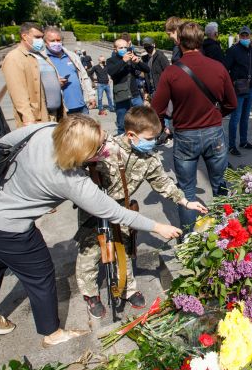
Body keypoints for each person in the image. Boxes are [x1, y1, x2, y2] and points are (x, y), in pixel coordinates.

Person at [0, 115, 181, 346]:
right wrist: (157, 226)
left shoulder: (46, 130)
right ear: (83, 154)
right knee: (41, 275)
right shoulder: (70, 180)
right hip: (10, 227)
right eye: (99, 146)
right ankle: (52, 333)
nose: (106, 145)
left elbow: (4, 144)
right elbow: (115, 212)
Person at [75, 108, 208, 317]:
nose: (153, 142)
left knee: (126, 247)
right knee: (90, 250)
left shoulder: (149, 159)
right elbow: (76, 163)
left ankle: (128, 288)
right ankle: (90, 294)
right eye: (149, 138)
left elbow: (163, 183)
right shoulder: (105, 148)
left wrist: (185, 201)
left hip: (123, 208)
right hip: (95, 206)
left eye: (155, 138)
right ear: (131, 135)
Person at [151, 22, 237, 230]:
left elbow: (157, 109)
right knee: (220, 183)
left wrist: (162, 128)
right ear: (201, 40)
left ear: (179, 41)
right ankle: (227, 230)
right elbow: (231, 103)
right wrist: (217, 115)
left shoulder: (172, 72)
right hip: (214, 133)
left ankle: (190, 235)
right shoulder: (218, 68)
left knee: (187, 190)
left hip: (185, 134)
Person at [3, 22, 65, 127]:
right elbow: (18, 92)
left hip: (55, 115)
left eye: (42, 37)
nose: (40, 40)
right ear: (24, 36)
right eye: (37, 37)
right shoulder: (14, 58)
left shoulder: (40, 55)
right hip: (38, 118)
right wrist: (28, 118)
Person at [224, 26, 252, 156]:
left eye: (247, 36)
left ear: (250, 36)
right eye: (242, 36)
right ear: (239, 36)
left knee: (245, 117)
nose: (245, 38)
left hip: (250, 87)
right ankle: (232, 145)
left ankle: (243, 141)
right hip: (238, 89)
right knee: (235, 118)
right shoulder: (233, 50)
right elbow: (224, 69)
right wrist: (231, 83)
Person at [44, 27, 96, 115]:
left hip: (81, 106)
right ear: (45, 42)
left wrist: (91, 96)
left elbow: (84, 76)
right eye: (52, 41)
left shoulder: (72, 56)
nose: (56, 43)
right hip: (61, 109)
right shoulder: (43, 59)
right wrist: (55, 84)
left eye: (58, 40)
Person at [106, 39, 150, 134]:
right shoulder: (111, 60)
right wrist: (123, 61)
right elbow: (111, 72)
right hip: (121, 96)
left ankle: (138, 141)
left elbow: (147, 69)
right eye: (120, 47)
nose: (123, 49)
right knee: (122, 123)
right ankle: (122, 143)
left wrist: (138, 62)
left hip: (135, 95)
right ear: (115, 50)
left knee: (140, 120)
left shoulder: (131, 58)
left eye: (125, 47)